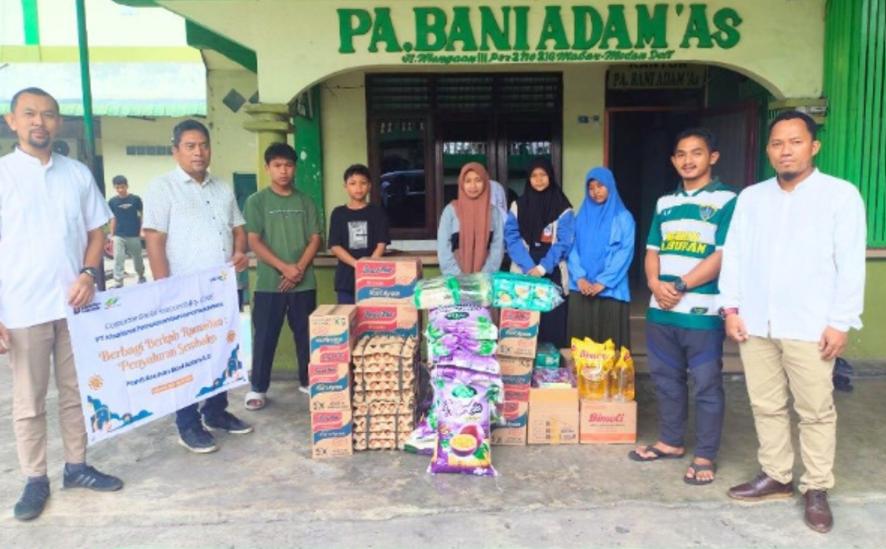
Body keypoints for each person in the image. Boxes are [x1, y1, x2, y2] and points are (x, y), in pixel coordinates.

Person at [719, 111, 866, 534]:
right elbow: (735, 253)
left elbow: (850, 264)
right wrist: (731, 308)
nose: (786, 150)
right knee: (766, 404)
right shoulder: (752, 198)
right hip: (756, 322)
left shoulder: (840, 196)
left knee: (815, 410)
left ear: (813, 146)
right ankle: (776, 475)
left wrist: (840, 322)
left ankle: (816, 487)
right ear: (768, 150)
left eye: (795, 142)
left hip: (810, 324)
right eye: (778, 143)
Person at [0, 87, 123, 521]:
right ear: (12, 121)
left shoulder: (76, 174)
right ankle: (35, 478)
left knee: (76, 393)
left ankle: (76, 466)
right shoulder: (3, 175)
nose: (40, 122)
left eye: (48, 114)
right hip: (22, 309)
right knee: (29, 401)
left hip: (75, 306)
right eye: (29, 114)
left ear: (58, 122)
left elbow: (97, 231)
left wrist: (88, 273)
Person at [628, 128, 737, 488]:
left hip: (702, 314)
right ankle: (671, 442)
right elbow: (652, 251)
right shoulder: (665, 203)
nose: (688, 160)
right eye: (681, 154)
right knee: (665, 381)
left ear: (712, 157)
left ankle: (705, 454)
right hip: (661, 311)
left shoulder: (728, 200)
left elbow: (722, 255)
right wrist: (654, 284)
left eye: (696, 152)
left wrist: (679, 285)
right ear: (673, 160)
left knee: (706, 384)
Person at [143, 119, 253, 454]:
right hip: (183, 291)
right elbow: (154, 239)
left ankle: (216, 412)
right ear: (175, 150)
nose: (198, 152)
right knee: (187, 357)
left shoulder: (222, 188)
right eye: (190, 146)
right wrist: (164, 288)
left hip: (221, 289)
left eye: (203, 145)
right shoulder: (163, 188)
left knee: (221, 351)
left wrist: (239, 252)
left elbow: (238, 228)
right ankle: (187, 423)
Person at [242, 143, 323, 409]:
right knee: (265, 336)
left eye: (288, 165)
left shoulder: (306, 201)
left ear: (295, 168)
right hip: (269, 283)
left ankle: (309, 381)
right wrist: (284, 268)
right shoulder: (256, 201)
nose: (283, 171)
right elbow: (254, 241)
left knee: (306, 335)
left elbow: (315, 239)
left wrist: (297, 269)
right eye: (277, 165)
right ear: (267, 168)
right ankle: (258, 388)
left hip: (304, 282)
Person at [504, 158, 574, 349]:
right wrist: (529, 267)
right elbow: (511, 238)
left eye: (543, 174)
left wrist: (543, 267)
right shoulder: (518, 205)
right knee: (524, 324)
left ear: (550, 176)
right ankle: (524, 365)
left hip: (552, 270)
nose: (539, 179)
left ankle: (551, 364)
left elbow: (564, 241)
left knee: (552, 324)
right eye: (534, 175)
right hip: (524, 270)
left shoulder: (563, 207)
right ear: (529, 179)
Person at [566, 167, 635, 348]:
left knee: (609, 347)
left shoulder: (624, 218)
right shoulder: (580, 217)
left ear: (610, 186)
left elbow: (625, 252)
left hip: (611, 289)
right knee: (581, 346)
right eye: (591, 187)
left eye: (600, 186)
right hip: (581, 288)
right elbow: (571, 248)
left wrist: (603, 281)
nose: (595, 191)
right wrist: (580, 277)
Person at [328, 164, 390, 304]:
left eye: (363, 183)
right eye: (353, 183)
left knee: (373, 316)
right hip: (346, 280)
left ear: (370, 186)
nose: (358, 187)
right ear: (345, 186)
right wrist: (357, 264)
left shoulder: (377, 212)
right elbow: (335, 246)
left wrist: (368, 268)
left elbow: (381, 244)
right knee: (348, 316)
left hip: (373, 279)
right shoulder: (338, 213)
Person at [437, 162, 504, 276]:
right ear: (461, 183)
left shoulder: (494, 213)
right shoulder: (450, 211)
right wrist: (457, 276)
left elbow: (498, 247)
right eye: (468, 181)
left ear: (485, 182)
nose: (473, 186)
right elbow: (443, 247)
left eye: (478, 180)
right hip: (455, 279)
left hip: (486, 279)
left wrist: (484, 276)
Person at [107, 174, 146, 287]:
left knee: (137, 258)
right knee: (118, 258)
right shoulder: (112, 202)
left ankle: (141, 275)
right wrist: (111, 234)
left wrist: (142, 230)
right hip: (119, 235)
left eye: (122, 187)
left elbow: (142, 215)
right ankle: (118, 281)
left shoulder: (135, 199)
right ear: (114, 188)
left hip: (133, 234)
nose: (120, 190)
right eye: (117, 187)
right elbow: (113, 218)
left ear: (127, 186)